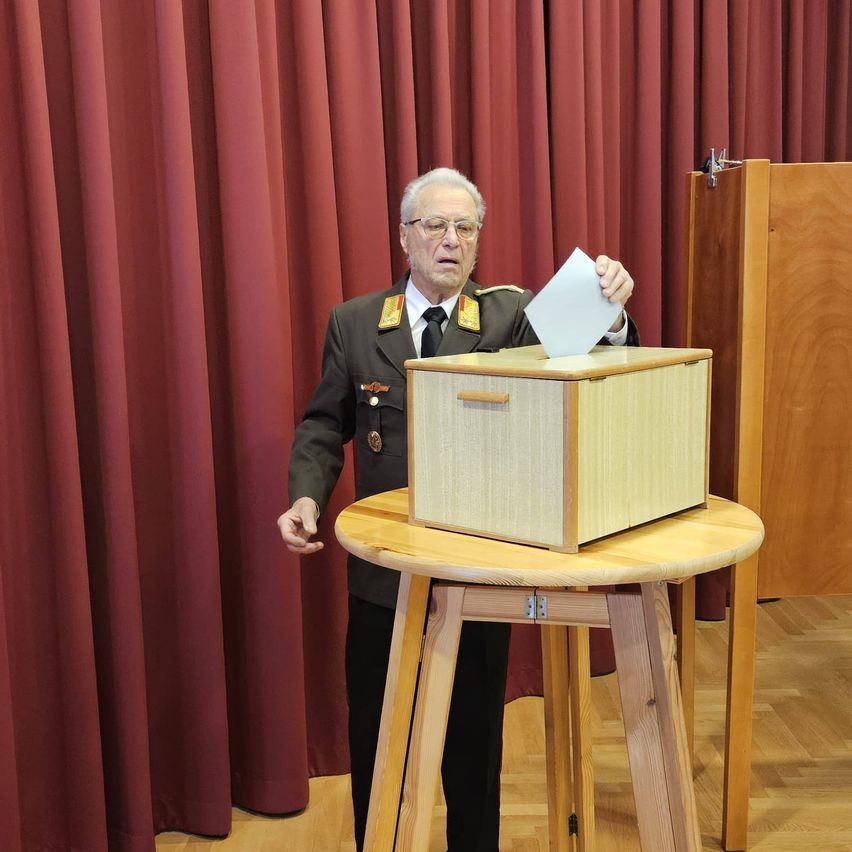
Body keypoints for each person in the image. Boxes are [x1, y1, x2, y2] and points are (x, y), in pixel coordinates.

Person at [278, 167, 638, 851]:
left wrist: (612, 311)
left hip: (479, 572)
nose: (450, 241)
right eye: (435, 226)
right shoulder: (356, 323)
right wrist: (305, 496)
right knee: (380, 740)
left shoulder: (509, 315)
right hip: (387, 576)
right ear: (405, 237)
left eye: (465, 227)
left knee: (475, 746)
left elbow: (601, 354)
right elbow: (324, 426)